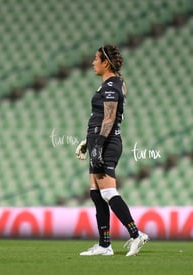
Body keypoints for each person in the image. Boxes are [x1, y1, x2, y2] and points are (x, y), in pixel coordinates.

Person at [75, 45, 148, 256]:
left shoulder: (111, 86)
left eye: (96, 59)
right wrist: (88, 142)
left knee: (107, 192)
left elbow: (109, 119)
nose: (92, 63)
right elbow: (101, 120)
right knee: (96, 194)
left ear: (105, 62)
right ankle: (105, 245)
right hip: (99, 141)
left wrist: (97, 145)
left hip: (106, 143)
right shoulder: (113, 84)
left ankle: (136, 235)